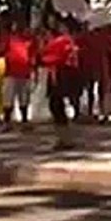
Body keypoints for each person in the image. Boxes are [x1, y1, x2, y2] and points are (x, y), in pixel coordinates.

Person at [39, 14, 79, 150]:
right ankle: (63, 138)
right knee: (56, 107)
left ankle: (65, 139)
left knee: (57, 106)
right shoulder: (65, 41)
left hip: (60, 75)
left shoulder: (63, 41)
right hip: (58, 74)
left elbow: (48, 57)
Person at [0, 17, 37, 130]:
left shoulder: (30, 41)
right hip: (11, 73)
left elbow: (33, 55)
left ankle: (24, 121)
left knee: (24, 98)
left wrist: (33, 68)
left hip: (24, 73)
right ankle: (7, 122)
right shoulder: (9, 39)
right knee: (8, 98)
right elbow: (0, 51)